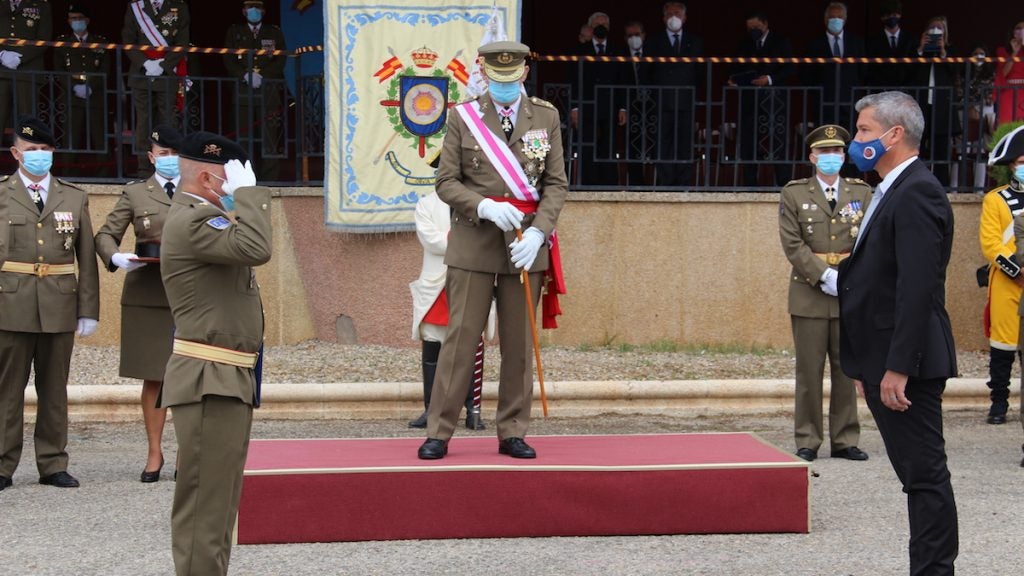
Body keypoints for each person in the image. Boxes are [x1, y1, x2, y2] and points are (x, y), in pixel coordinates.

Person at [418, 41, 568, 460]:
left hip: (525, 246)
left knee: (519, 345)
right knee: (460, 341)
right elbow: (446, 182)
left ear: (523, 73)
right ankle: (439, 431)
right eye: (496, 79)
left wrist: (540, 232)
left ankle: (512, 431)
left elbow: (556, 183)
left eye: (511, 77)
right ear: (483, 73)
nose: (504, 85)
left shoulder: (546, 117)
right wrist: (482, 205)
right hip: (473, 244)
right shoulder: (462, 118)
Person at [840, 91, 958, 575]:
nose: (856, 140)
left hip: (906, 363)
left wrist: (896, 367)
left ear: (894, 134)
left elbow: (917, 288)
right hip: (883, 357)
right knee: (915, 477)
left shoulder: (917, 191)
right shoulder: (889, 188)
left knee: (925, 477)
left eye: (865, 130)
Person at [159, 131, 270, 575]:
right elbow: (257, 249)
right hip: (209, 377)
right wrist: (250, 197)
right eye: (232, 179)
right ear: (208, 177)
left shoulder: (206, 217)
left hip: (225, 376)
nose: (237, 188)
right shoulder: (194, 220)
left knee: (220, 504)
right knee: (205, 505)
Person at [0, 116, 99, 492]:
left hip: (59, 303)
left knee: (54, 389)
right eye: (30, 150)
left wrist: (88, 309)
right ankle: (3, 464)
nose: (38, 156)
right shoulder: (2, 194)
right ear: (15, 153)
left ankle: (53, 463)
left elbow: (86, 257)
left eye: (44, 150)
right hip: (10, 302)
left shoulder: (72, 196)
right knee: (7, 389)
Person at [779, 124, 872, 462]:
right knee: (809, 371)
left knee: (847, 370)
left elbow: (869, 241)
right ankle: (808, 438)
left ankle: (846, 438)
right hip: (809, 292)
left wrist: (847, 277)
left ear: (844, 157)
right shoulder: (794, 194)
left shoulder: (862, 193)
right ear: (812, 157)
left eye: (837, 152)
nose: (830, 158)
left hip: (849, 291)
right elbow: (792, 243)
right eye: (824, 152)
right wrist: (823, 276)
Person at [94, 124, 181, 482]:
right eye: (163, 155)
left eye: (176, 155)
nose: (170, 161)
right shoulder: (136, 193)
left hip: (190, 294)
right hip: (147, 293)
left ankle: (188, 454)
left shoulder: (201, 189)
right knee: (155, 377)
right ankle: (154, 452)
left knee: (192, 378)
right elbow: (105, 235)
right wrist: (116, 258)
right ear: (151, 157)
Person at [408, 153, 493, 431]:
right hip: (436, 285)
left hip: (469, 281)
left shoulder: (476, 204)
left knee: (469, 346)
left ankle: (472, 409)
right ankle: (431, 409)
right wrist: (461, 241)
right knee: (433, 346)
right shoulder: (425, 205)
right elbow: (431, 239)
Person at [122, 0, 190, 176]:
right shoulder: (135, 7)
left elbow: (183, 41)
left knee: (167, 120)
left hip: (167, 74)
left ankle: (168, 166)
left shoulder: (179, 7)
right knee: (143, 121)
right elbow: (128, 39)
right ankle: (144, 168)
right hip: (141, 73)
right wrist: (145, 63)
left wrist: (163, 65)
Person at [985, 126, 1024, 431]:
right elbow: (991, 243)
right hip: (1009, 282)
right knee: (1002, 346)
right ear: (1012, 165)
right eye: (1021, 161)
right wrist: (1017, 270)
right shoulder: (995, 200)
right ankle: (999, 402)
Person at [223, 0, 288, 181]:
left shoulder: (274, 32)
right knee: (243, 137)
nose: (254, 11)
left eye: (257, 8)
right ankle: (245, 177)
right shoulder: (235, 31)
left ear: (263, 11)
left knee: (270, 138)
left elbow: (281, 59)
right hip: (243, 91)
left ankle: (270, 179)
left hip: (268, 92)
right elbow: (228, 59)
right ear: (243, 11)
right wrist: (245, 75)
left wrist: (263, 76)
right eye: (250, 8)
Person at [731, 10, 794, 188]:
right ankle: (750, 186)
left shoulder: (781, 42)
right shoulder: (744, 44)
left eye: (757, 27)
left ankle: (783, 185)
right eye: (750, 28)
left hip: (775, 104)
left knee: (778, 145)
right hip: (750, 103)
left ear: (765, 24)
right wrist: (736, 79)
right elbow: (736, 67)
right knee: (749, 145)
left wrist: (769, 80)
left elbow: (789, 69)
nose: (753, 31)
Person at [646, 2, 703, 187]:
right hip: (662, 101)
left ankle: (684, 183)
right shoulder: (654, 41)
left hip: (686, 101)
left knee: (685, 143)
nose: (673, 17)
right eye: (669, 14)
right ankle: (665, 183)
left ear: (685, 18)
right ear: (663, 18)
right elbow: (647, 71)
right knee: (663, 143)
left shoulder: (695, 41)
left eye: (677, 13)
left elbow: (700, 74)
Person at [569, 11, 620, 186]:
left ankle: (609, 185)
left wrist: (623, 108)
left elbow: (624, 79)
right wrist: (574, 108)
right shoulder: (580, 50)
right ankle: (587, 184)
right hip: (587, 106)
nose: (601, 29)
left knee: (609, 146)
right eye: (597, 25)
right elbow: (573, 79)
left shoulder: (617, 49)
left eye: (604, 26)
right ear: (590, 28)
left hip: (610, 105)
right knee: (587, 146)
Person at [55, 4, 109, 165]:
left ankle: (104, 174)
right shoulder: (62, 42)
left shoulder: (100, 42)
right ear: (68, 21)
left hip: (95, 95)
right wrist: (74, 86)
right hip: (71, 96)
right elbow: (59, 69)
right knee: (71, 137)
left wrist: (90, 86)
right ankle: (68, 174)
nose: (76, 21)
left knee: (100, 137)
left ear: (87, 20)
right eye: (73, 18)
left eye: (79, 18)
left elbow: (106, 69)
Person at [909, 15, 959, 186]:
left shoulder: (951, 51)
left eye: (940, 28)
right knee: (917, 146)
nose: (936, 31)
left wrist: (943, 52)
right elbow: (908, 73)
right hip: (921, 105)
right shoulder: (917, 51)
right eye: (932, 28)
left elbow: (956, 74)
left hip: (942, 107)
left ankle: (941, 186)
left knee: (941, 149)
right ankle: (916, 184)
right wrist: (921, 49)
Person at [802, 2, 865, 130]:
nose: (836, 20)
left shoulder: (856, 42)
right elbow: (806, 74)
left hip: (850, 101)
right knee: (826, 141)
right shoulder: (815, 44)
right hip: (824, 103)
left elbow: (863, 71)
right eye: (832, 17)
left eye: (840, 17)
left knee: (850, 140)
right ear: (826, 20)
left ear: (845, 19)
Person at [0, 0, 52, 143]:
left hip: (27, 71)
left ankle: (28, 163)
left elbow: (44, 38)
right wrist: (2, 54)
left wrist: (20, 57)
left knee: (27, 122)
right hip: (1, 71)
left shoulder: (40, 5)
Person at [619, 19, 655, 187]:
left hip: (653, 106)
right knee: (633, 145)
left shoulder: (654, 53)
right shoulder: (620, 56)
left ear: (644, 35)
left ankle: (657, 183)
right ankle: (636, 183)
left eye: (637, 34)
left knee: (656, 144)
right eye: (630, 35)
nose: (634, 38)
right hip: (631, 107)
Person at [865, 0, 915, 88]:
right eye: (888, 15)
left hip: (905, 89)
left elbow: (913, 66)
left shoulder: (911, 39)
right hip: (880, 89)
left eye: (895, 15)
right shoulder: (872, 41)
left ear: (900, 15)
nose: (892, 18)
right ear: (882, 18)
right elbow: (871, 68)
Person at [994, 21, 1024, 125]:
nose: (1021, 31)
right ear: (1013, 32)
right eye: (1018, 28)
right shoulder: (1002, 50)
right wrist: (1014, 52)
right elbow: (1003, 73)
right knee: (1007, 128)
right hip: (1008, 93)